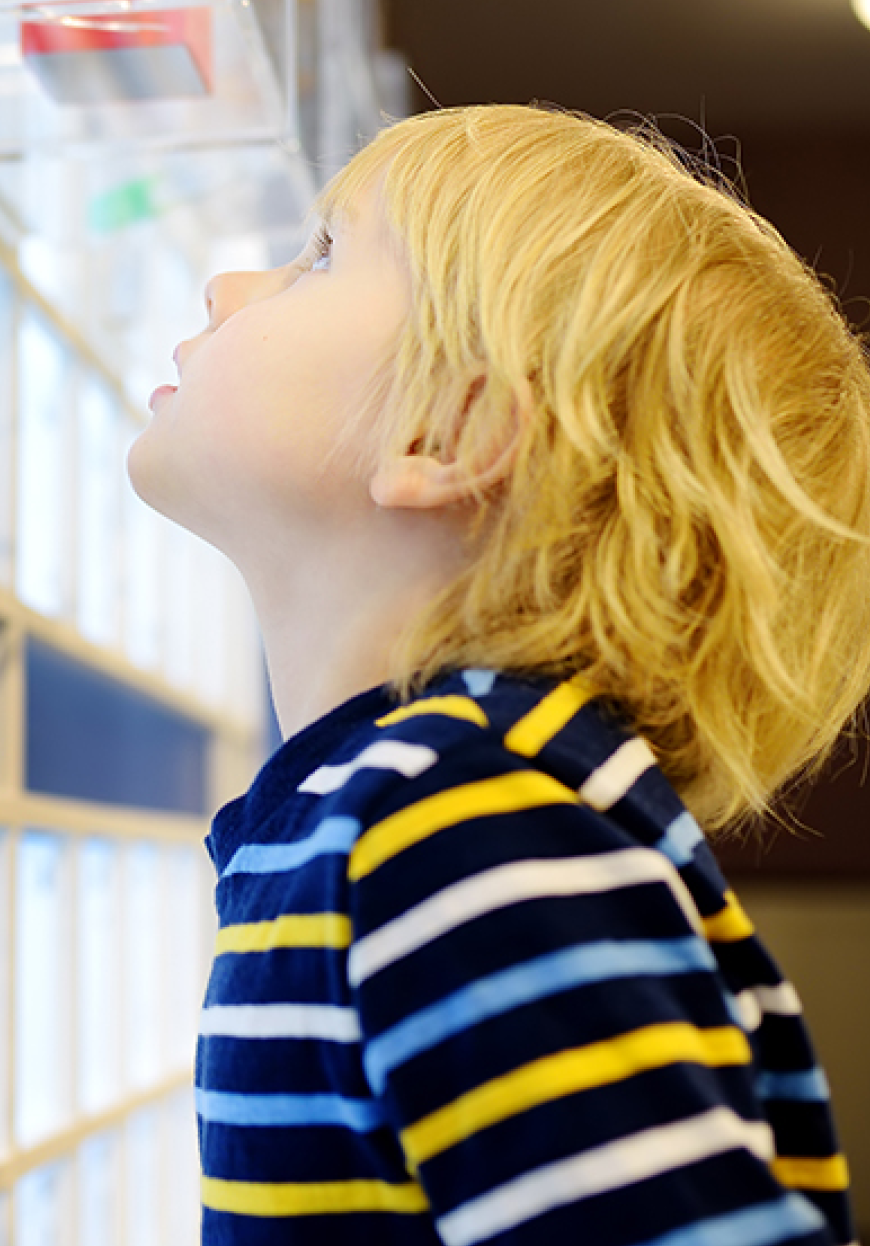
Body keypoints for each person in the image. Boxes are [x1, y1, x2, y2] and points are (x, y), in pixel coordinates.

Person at [129, 105, 867, 1246]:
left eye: (321, 254)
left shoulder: (456, 823)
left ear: (448, 427)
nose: (228, 286)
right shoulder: (422, 807)